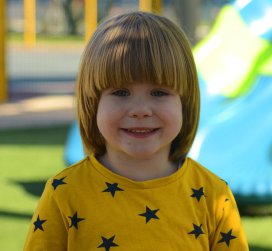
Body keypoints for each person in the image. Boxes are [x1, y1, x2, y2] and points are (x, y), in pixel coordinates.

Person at [24, 11, 249, 250]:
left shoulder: (213, 195)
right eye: (121, 92)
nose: (140, 110)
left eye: (159, 92)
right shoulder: (64, 192)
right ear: (93, 103)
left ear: (184, 102)